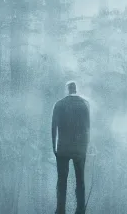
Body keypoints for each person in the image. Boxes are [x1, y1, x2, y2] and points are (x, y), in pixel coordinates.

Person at [51, 81, 90, 214]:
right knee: (80, 181)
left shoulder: (59, 104)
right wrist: (86, 147)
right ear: (76, 89)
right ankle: (80, 209)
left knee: (62, 181)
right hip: (79, 149)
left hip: (63, 148)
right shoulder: (84, 105)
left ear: (67, 90)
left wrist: (54, 148)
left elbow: (53, 128)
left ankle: (60, 209)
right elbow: (87, 128)